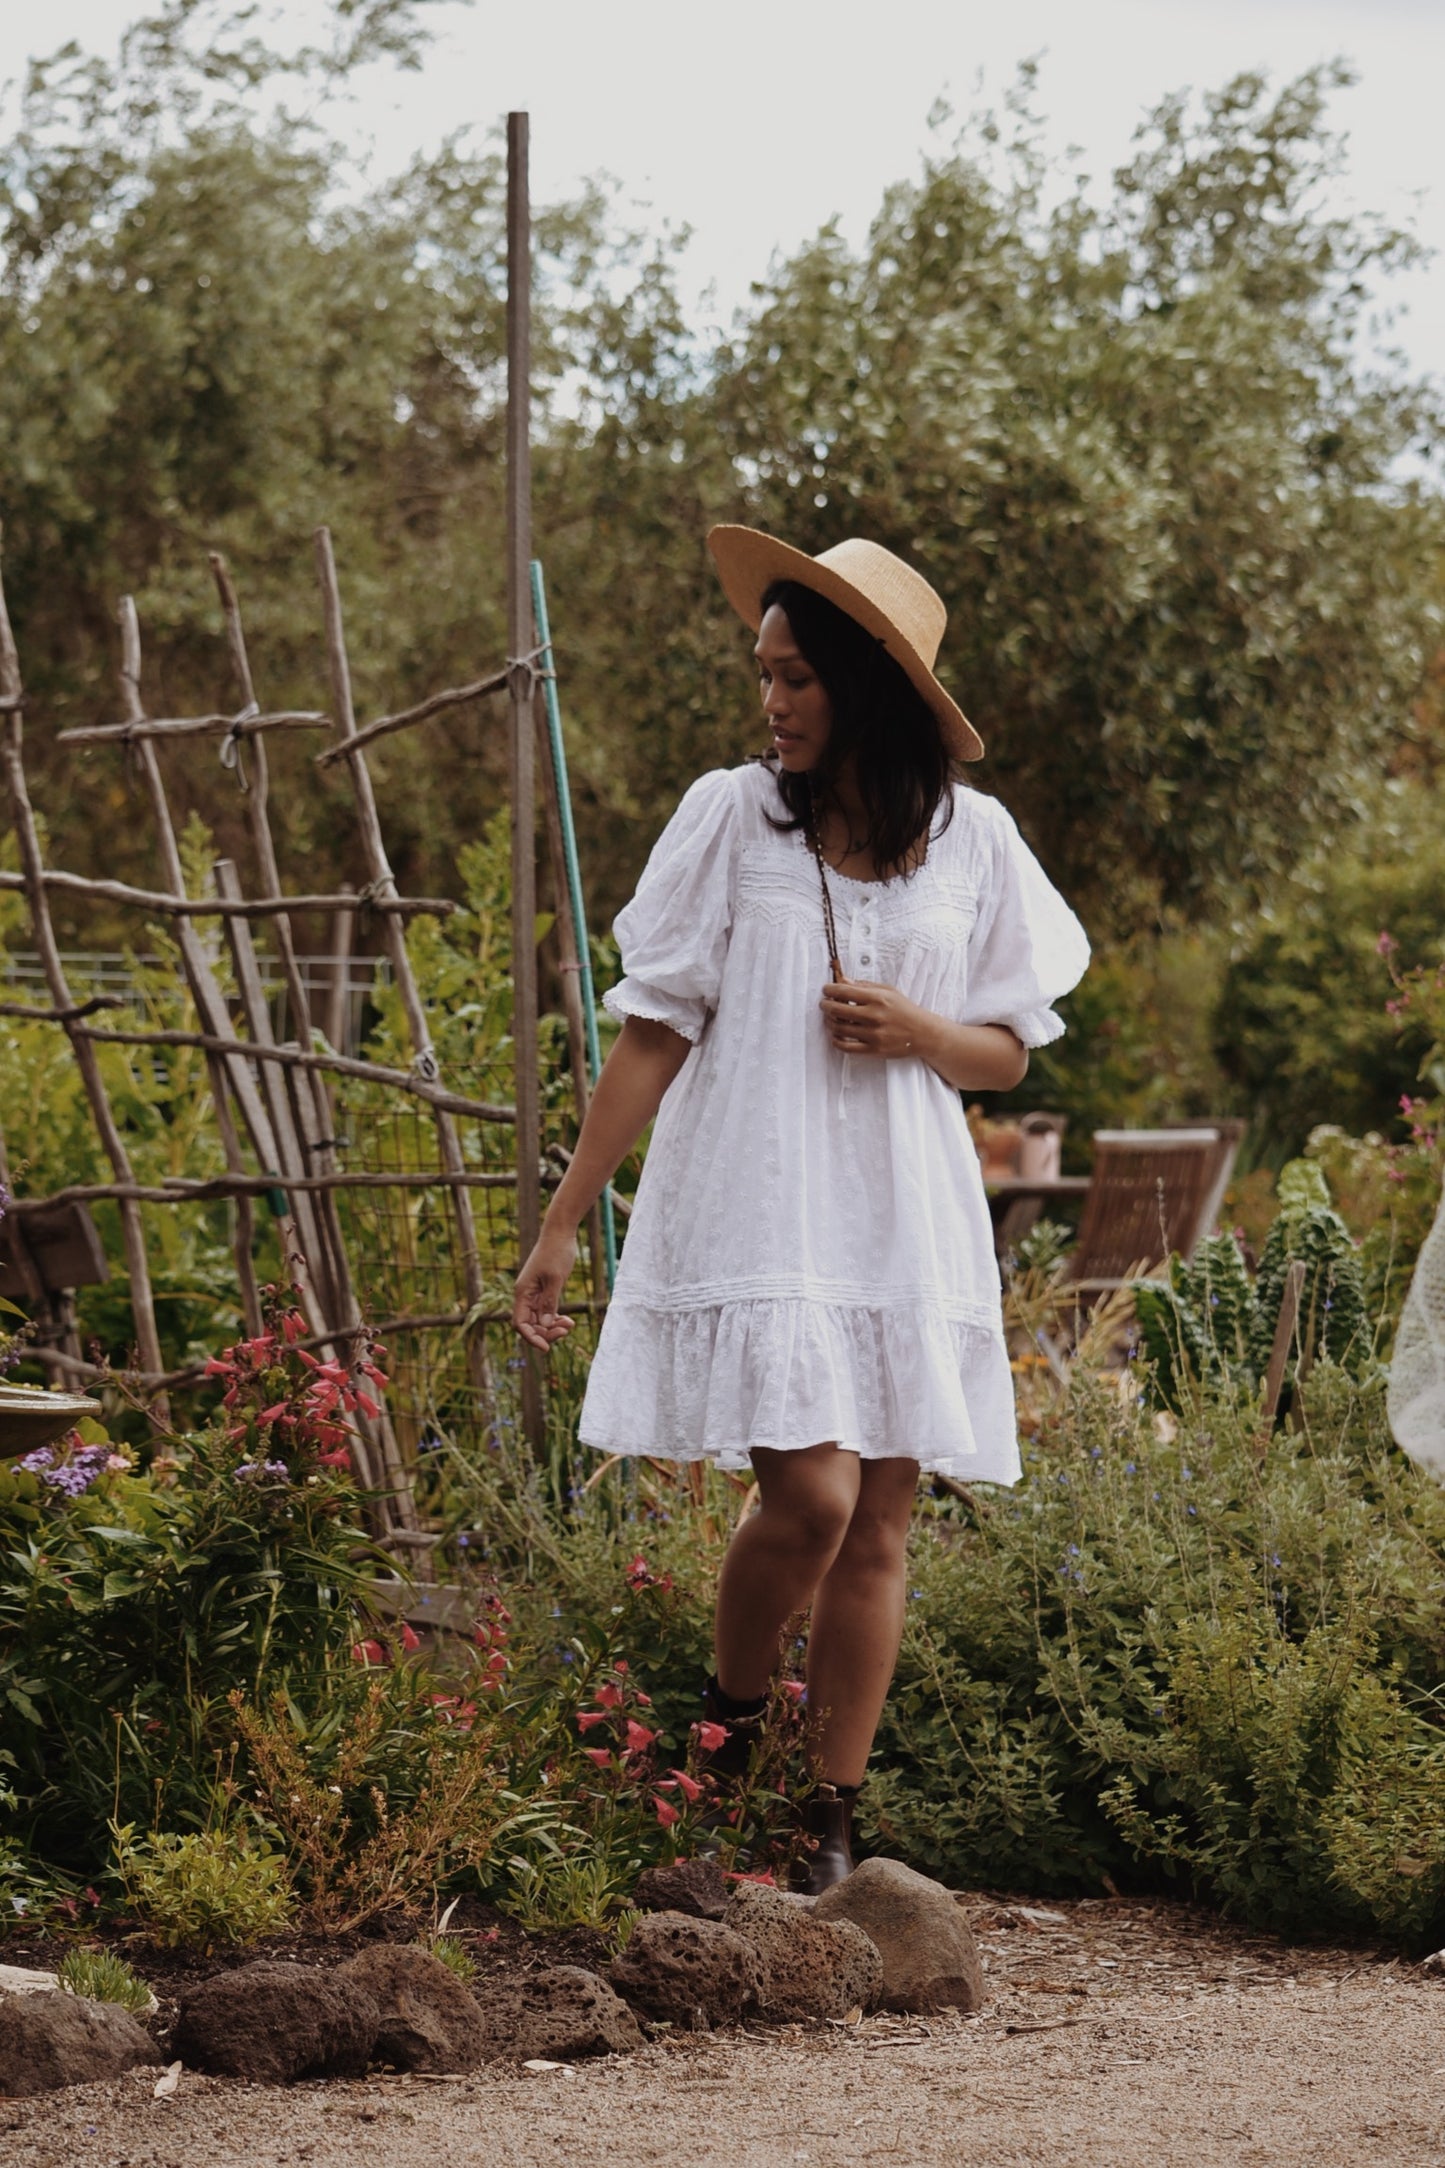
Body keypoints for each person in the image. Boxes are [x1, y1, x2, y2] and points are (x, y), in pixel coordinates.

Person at [513, 525, 1089, 1891]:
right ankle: (725, 1725)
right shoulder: (730, 817)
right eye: (761, 674)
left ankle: (826, 1816)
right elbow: (650, 1031)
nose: (768, 701)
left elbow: (1007, 1048)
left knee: (881, 1520)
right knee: (813, 1500)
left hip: (902, 1203)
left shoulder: (976, 843)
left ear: (867, 685)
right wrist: (559, 1223)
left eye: (794, 679)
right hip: (761, 1191)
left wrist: (920, 1032)